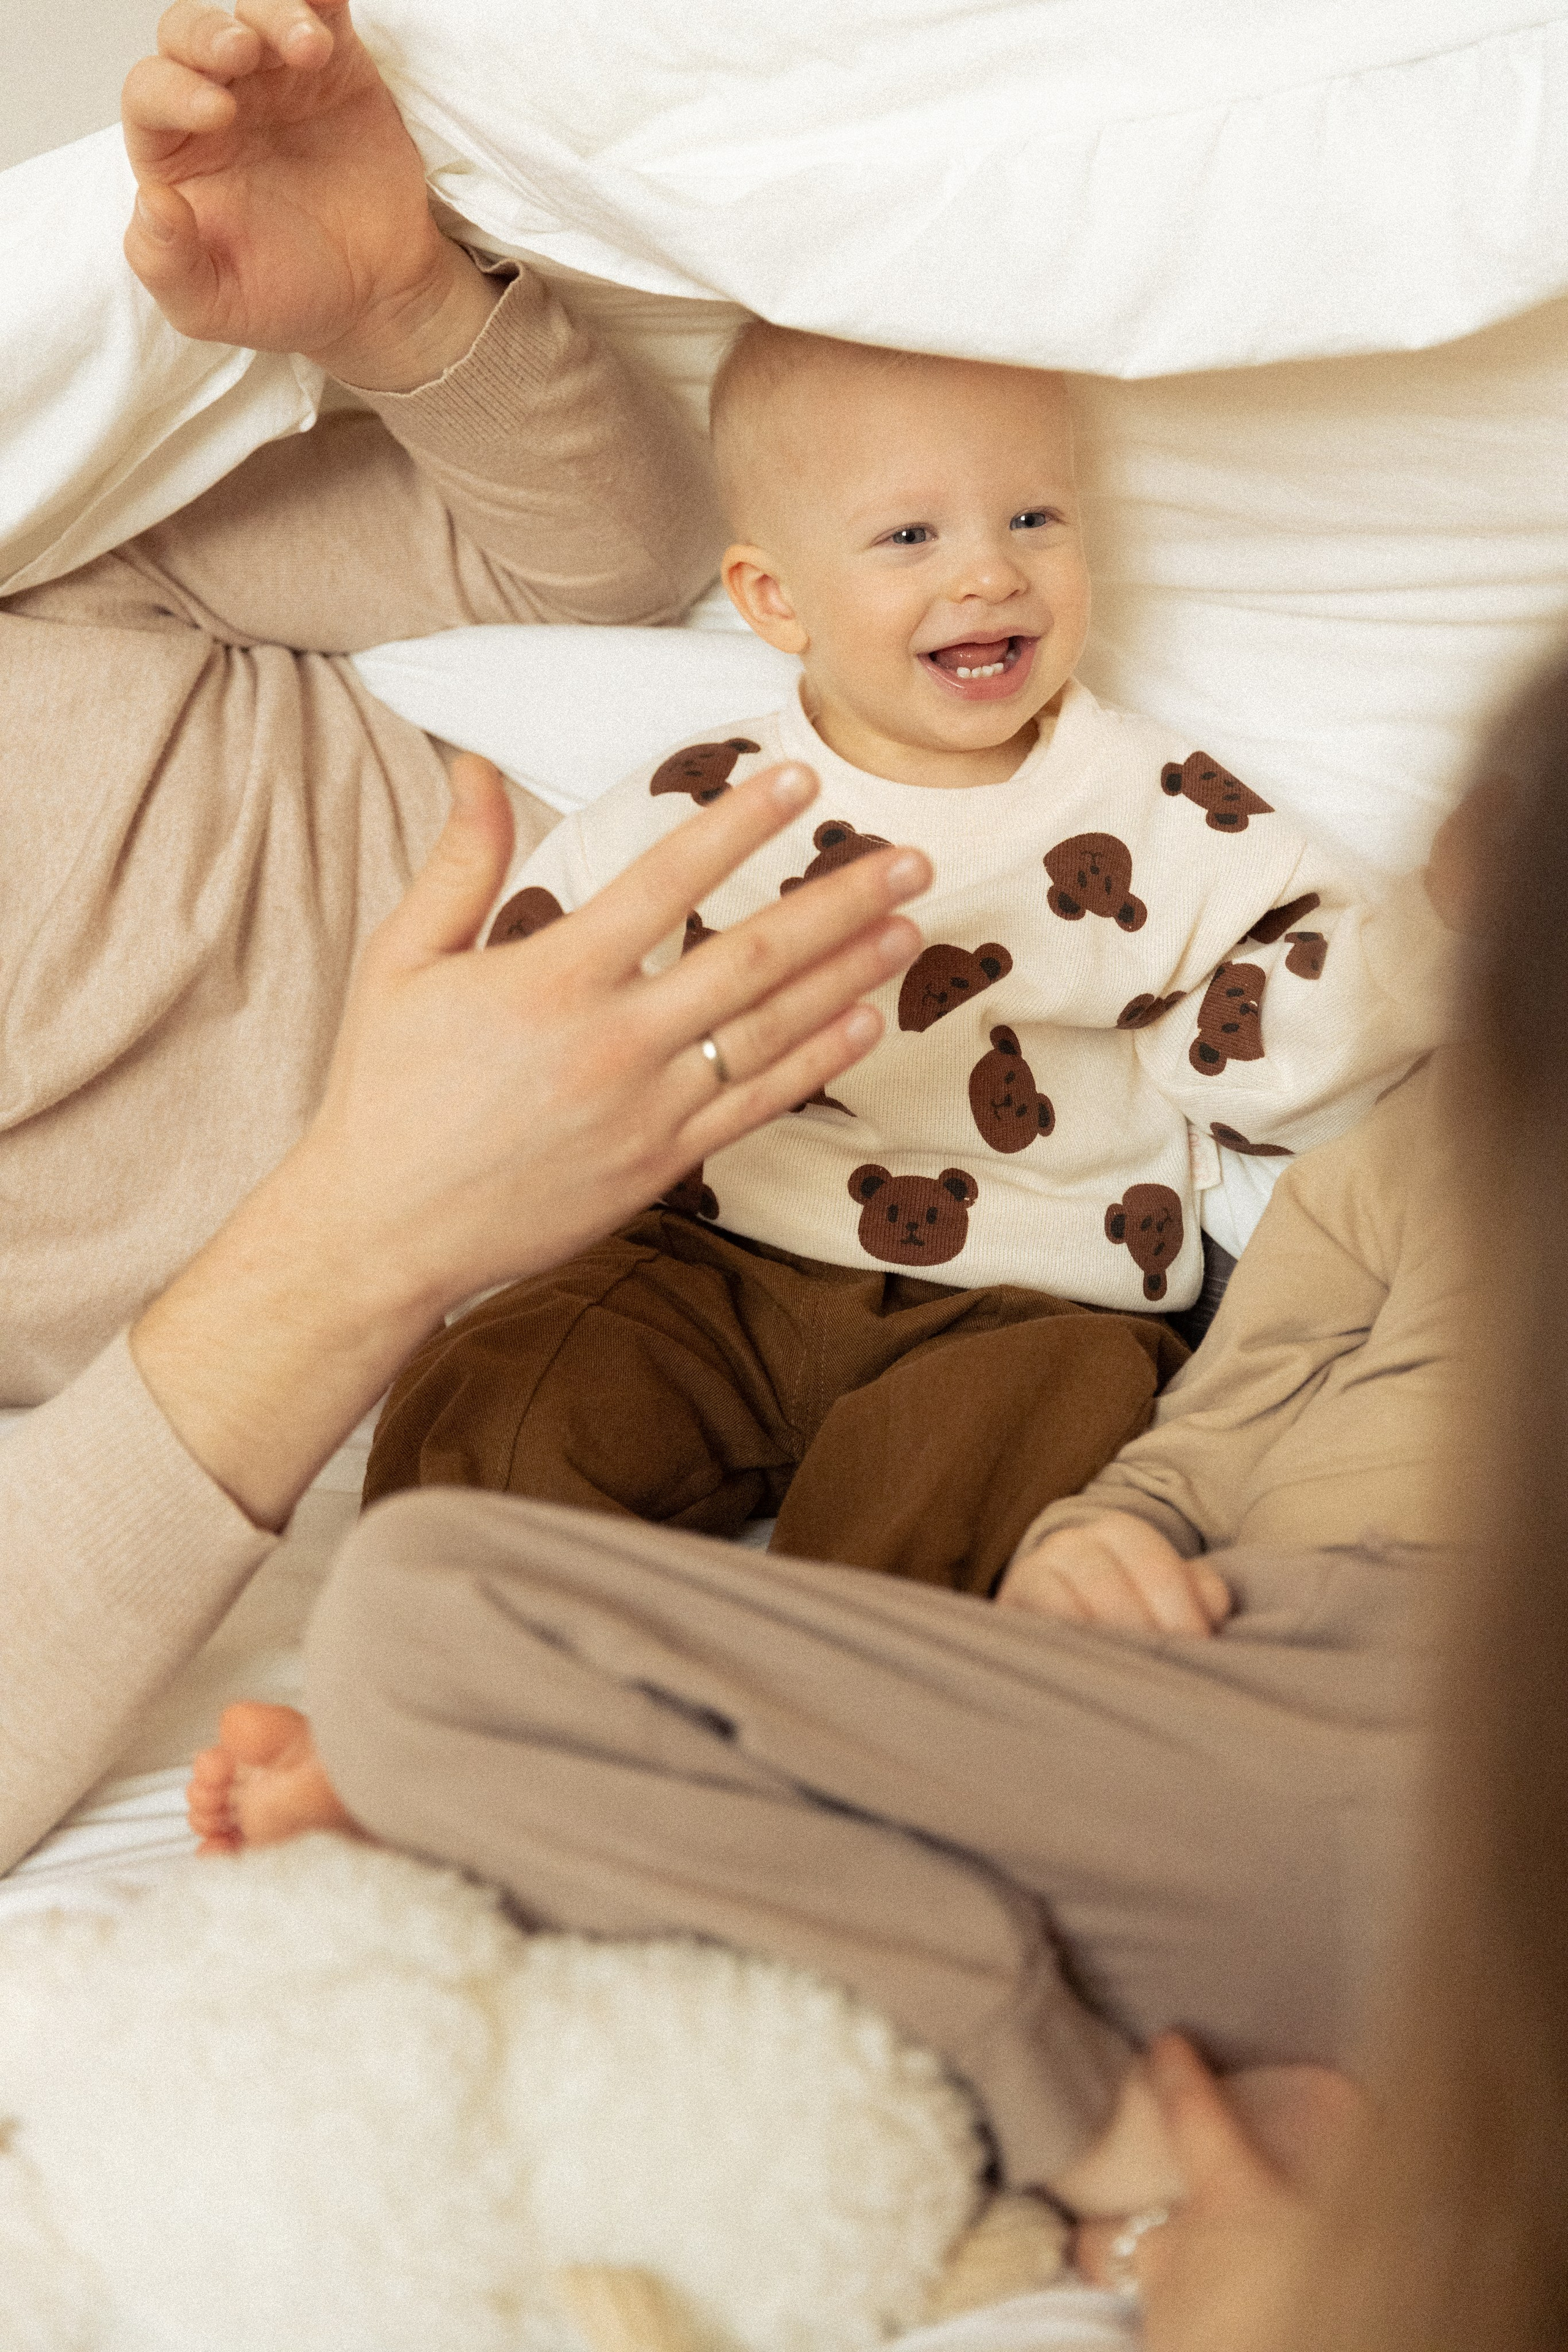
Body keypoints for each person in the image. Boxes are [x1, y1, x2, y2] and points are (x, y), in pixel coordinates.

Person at [0, 0, 934, 1874]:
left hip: (910, 993)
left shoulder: (54, 608)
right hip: (602, 1395)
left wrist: (405, 314)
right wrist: (367, 1225)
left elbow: (597, 557)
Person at [360, 318, 1458, 1596]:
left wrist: (1431, 936)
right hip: (711, 1254)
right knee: (504, 1392)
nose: (990, 575)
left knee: (1062, 1412)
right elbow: (550, 989)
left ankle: (837, 1696)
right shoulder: (714, 796)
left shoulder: (1158, 802)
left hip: (1025, 1292)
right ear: (775, 598)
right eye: (909, 536)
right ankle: (447, 1647)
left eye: (1034, 521)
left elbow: (1264, 1035)